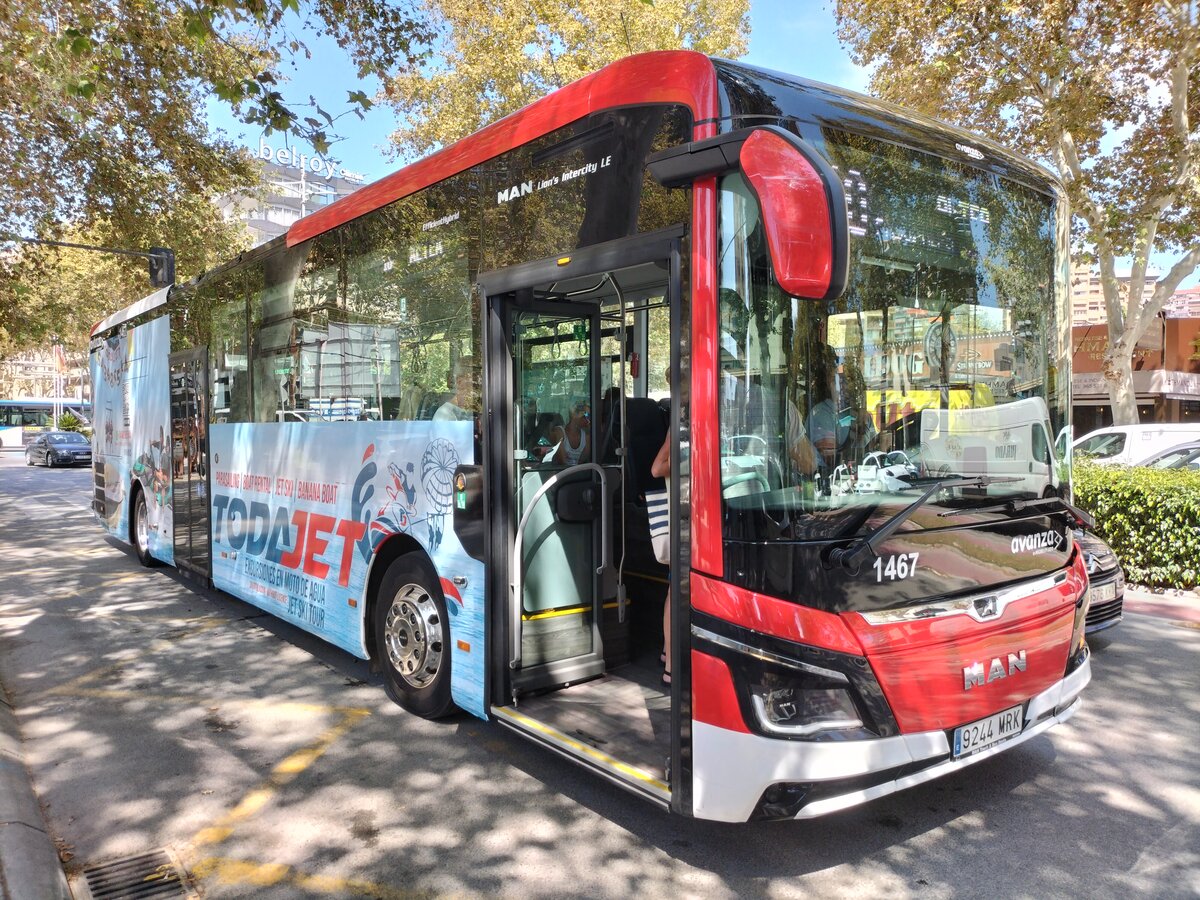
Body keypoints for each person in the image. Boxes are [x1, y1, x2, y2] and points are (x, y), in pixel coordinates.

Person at [434, 357, 477, 422]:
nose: (477, 394)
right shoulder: (445, 416)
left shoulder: (469, 412)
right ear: (459, 381)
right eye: (474, 384)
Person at [552, 398, 591, 465]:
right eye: (585, 416)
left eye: (589, 416)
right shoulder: (559, 432)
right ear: (574, 414)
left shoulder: (586, 435)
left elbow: (585, 461)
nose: (588, 420)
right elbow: (563, 462)